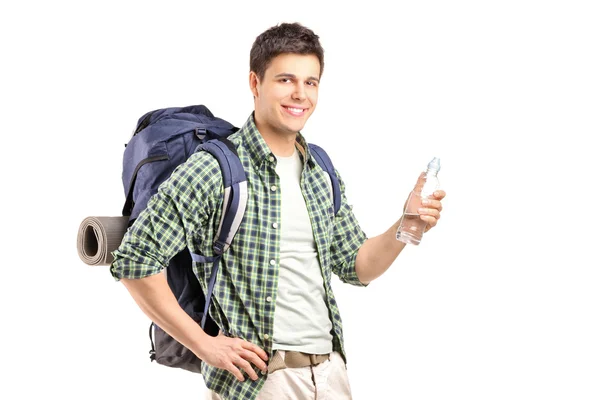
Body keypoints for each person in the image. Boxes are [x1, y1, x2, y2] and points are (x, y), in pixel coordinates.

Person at [110, 22, 445, 400]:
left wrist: (405, 225)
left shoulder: (320, 169)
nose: (300, 94)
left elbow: (355, 264)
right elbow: (135, 261)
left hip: (331, 373)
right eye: (286, 80)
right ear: (255, 83)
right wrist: (206, 345)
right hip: (258, 383)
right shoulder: (215, 169)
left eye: (311, 82)